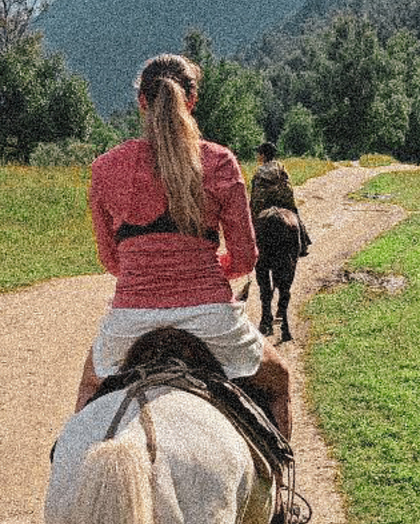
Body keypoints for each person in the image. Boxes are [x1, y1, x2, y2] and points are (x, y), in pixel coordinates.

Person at [74, 53, 295, 444]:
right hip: (210, 317)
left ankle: (72, 472)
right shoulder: (219, 162)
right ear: (191, 101)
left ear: (141, 102)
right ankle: (284, 482)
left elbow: (110, 259)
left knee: (90, 389)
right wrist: (212, 267)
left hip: (131, 319)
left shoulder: (106, 167)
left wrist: (148, 269)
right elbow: (246, 258)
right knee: (279, 381)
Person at [248, 140, 309, 342]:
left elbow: (255, 199)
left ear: (263, 155)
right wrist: (290, 207)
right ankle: (303, 242)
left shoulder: (258, 173)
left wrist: (252, 216)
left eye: (259, 153)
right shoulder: (282, 169)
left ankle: (265, 318)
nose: (258, 156)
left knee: (260, 259)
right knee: (296, 219)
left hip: (263, 214)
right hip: (284, 208)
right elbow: (288, 192)